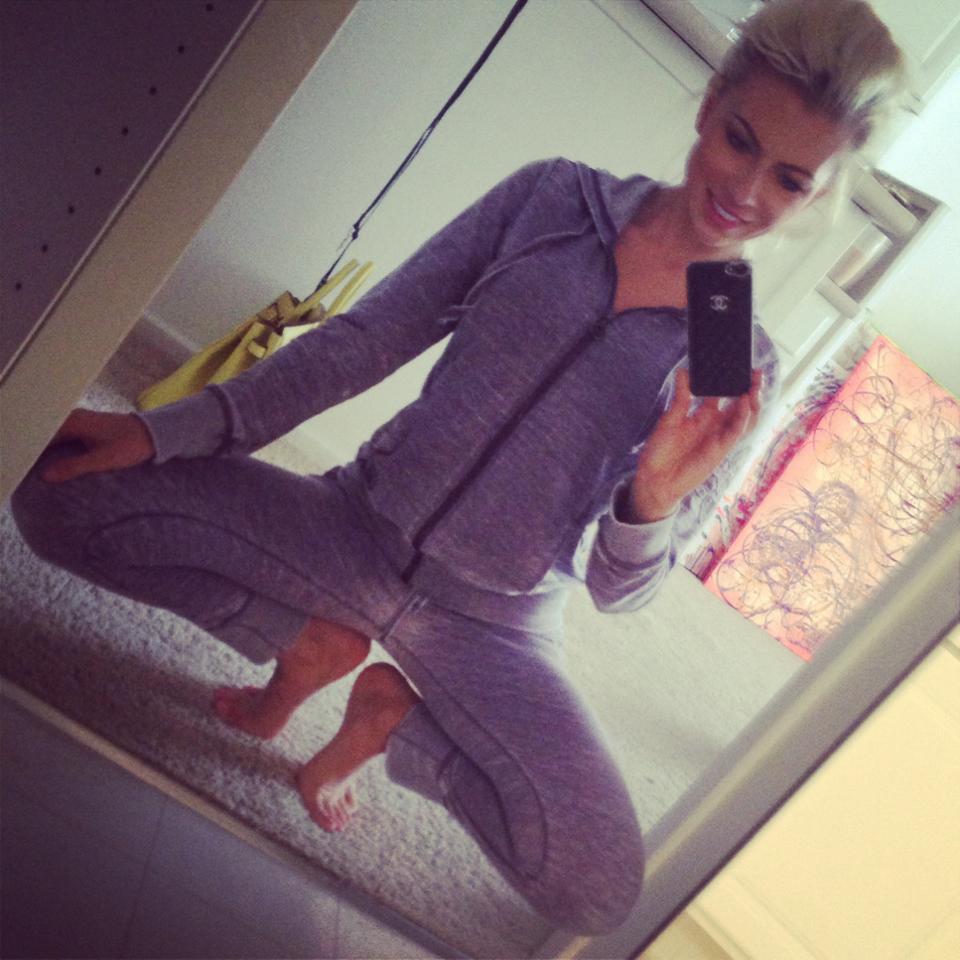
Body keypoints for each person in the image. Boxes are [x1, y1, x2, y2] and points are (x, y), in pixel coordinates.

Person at [10, 0, 904, 935]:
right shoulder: (554, 200)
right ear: (712, 103)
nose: (746, 191)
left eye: (791, 180)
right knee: (55, 493)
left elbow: (622, 592)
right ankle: (305, 641)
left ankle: (388, 721)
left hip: (498, 623)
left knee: (596, 887)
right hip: (354, 525)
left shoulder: (735, 356)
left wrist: (649, 502)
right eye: (740, 139)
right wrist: (165, 432)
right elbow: (366, 341)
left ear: (817, 198)